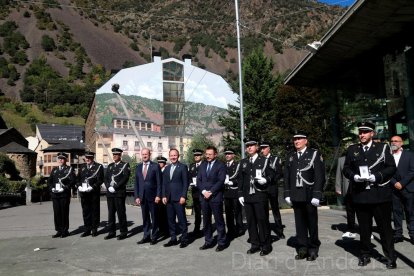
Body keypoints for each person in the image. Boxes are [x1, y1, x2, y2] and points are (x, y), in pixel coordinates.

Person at [343, 121, 397, 269]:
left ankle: (390, 257)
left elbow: (391, 167)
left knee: (385, 229)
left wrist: (378, 176)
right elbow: (346, 168)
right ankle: (365, 254)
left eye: (365, 132)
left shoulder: (382, 147)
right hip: (361, 196)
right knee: (364, 229)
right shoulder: (353, 149)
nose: (362, 135)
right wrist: (353, 176)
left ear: (372, 133)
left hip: (379, 195)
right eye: (360, 132)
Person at [284, 131, 324, 261]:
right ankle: (302, 248)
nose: (297, 141)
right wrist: (287, 194)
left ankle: (313, 248)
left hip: (309, 194)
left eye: (300, 139)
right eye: (295, 139)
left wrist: (317, 194)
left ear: (306, 141)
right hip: (296, 195)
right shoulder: (290, 156)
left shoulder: (314, 154)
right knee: (299, 224)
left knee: (312, 223)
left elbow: (319, 175)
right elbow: (287, 177)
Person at [238, 138, 274, 256]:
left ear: (257, 147)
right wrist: (240, 194)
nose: (249, 147)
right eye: (247, 146)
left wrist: (266, 179)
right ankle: (255, 244)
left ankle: (266, 245)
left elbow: (273, 174)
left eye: (252, 145)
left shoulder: (264, 160)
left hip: (260, 195)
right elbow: (241, 180)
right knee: (251, 222)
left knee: (262, 221)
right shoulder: (243, 162)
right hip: (248, 196)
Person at [197, 146, 228, 251]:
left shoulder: (221, 165)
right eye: (207, 154)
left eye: (210, 154)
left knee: (219, 220)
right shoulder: (202, 165)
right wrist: (203, 191)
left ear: (215, 154)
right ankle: (208, 241)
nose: (208, 156)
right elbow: (198, 181)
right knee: (206, 221)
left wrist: (211, 192)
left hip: (215, 197)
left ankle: (222, 242)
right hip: (204, 197)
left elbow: (221, 181)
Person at [162, 149, 189, 248]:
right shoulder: (167, 168)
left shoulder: (182, 167)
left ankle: (184, 239)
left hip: (179, 198)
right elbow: (164, 184)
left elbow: (186, 183)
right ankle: (173, 238)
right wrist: (164, 196)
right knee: (171, 220)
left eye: (175, 155)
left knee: (182, 220)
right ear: (169, 156)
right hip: (168, 199)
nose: (173, 157)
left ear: (178, 156)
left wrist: (183, 196)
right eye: (171, 155)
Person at [390, 135, 414, 244]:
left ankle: (412, 234)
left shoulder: (409, 155)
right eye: (392, 141)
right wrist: (395, 183)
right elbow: (386, 172)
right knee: (396, 212)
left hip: (408, 188)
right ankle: (398, 234)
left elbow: (412, 171)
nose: (394, 143)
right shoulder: (388, 156)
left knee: (410, 212)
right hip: (394, 189)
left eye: (396, 141)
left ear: (401, 143)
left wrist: (402, 183)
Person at [135, 148, 162, 245]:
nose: (145, 156)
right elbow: (136, 183)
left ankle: (154, 237)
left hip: (153, 197)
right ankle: (146, 236)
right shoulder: (138, 167)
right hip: (142, 197)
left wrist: (158, 195)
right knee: (145, 217)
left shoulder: (155, 166)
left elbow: (159, 182)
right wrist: (137, 196)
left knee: (154, 218)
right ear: (141, 155)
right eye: (143, 154)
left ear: (149, 155)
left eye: (146, 154)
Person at [104, 148, 131, 240]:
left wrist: (115, 187)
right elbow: (106, 178)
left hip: (119, 193)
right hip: (110, 194)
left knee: (121, 213)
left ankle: (123, 232)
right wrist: (108, 187)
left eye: (116, 154)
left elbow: (125, 178)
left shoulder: (125, 165)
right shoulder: (110, 166)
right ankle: (111, 232)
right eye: (113, 154)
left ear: (120, 155)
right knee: (111, 214)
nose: (114, 156)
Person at [48, 152, 76, 238]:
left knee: (64, 212)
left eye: (62, 159)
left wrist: (65, 188)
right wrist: (52, 188)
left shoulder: (69, 169)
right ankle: (58, 230)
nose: (60, 160)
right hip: (55, 195)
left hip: (64, 195)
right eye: (59, 158)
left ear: (65, 160)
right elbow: (50, 181)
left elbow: (73, 181)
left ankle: (65, 230)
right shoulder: (54, 170)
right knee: (57, 213)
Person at [77, 151, 104, 237]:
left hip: (93, 193)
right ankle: (87, 229)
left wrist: (93, 187)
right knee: (85, 211)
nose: (88, 159)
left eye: (89, 157)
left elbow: (100, 179)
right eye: (86, 157)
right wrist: (79, 187)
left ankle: (94, 229)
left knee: (94, 211)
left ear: (93, 158)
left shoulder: (99, 167)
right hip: (84, 193)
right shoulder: (82, 167)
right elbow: (78, 179)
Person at [260, 141, 284, 239]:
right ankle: (266, 231)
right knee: (263, 210)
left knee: (275, 209)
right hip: (262, 188)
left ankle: (279, 231)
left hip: (272, 187)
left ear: (269, 148)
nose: (263, 150)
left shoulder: (275, 159)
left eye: (264, 148)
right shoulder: (260, 159)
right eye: (261, 148)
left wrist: (269, 179)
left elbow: (279, 173)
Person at [223, 148, 244, 239]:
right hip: (226, 192)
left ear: (233, 155)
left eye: (229, 153)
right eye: (226, 154)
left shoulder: (237, 165)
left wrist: (233, 182)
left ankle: (239, 228)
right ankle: (230, 229)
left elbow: (240, 178)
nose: (227, 155)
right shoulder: (223, 165)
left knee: (237, 211)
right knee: (228, 212)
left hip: (234, 191)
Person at [335, 153, 357, 238]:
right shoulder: (341, 160)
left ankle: (366, 231)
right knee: (349, 211)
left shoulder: (361, 156)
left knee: (363, 212)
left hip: (360, 188)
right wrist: (338, 187)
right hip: (347, 188)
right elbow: (338, 175)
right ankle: (351, 230)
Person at [188, 148, 204, 237]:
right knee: (197, 212)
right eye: (195, 155)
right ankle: (197, 229)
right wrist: (191, 182)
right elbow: (189, 176)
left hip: (203, 192)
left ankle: (206, 228)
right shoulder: (192, 166)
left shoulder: (205, 165)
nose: (196, 157)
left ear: (201, 156)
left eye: (198, 155)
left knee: (205, 212)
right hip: (195, 192)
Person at [156, 156, 169, 238]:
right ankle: (161, 230)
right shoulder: (158, 171)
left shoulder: (166, 171)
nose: (159, 164)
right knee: (159, 214)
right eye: (159, 162)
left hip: (165, 195)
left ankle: (166, 231)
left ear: (164, 163)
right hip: (158, 196)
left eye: (161, 163)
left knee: (166, 214)